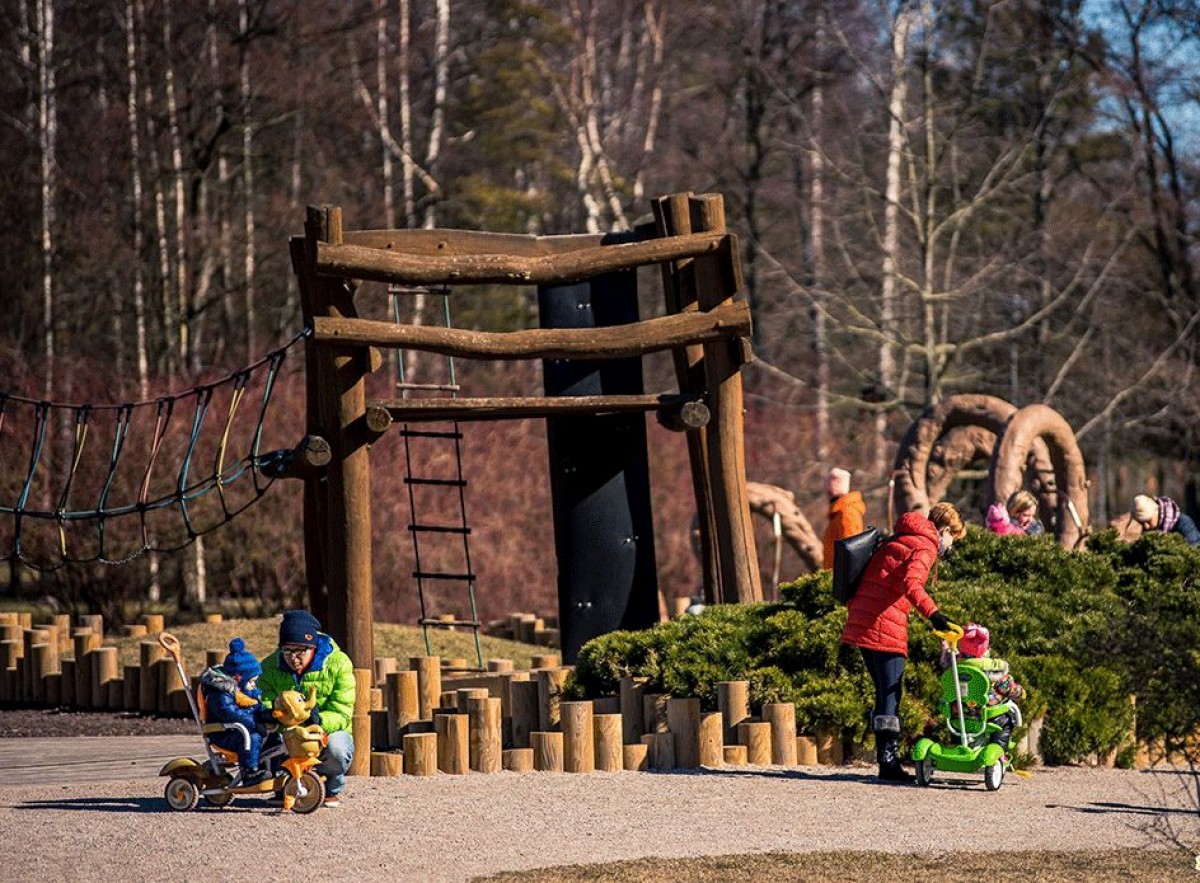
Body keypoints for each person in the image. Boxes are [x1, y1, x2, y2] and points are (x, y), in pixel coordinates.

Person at [841, 501, 965, 782]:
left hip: (862, 618)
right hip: (884, 623)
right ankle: (888, 763)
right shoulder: (925, 545)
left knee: (883, 692)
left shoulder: (903, 536)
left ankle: (886, 759)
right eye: (953, 539)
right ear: (944, 530)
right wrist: (935, 616)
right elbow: (912, 584)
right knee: (890, 693)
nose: (950, 546)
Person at [257, 610, 357, 808]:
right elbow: (262, 699)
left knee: (338, 748)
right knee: (261, 737)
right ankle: (283, 785)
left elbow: (342, 712)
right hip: (286, 732)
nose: (293, 658)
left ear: (313, 646)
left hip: (324, 731)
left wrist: (319, 721)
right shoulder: (268, 666)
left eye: (300, 651)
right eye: (287, 651)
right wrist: (270, 713)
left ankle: (329, 788)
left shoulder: (339, 664)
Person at [199, 637, 272, 787]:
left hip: (237, 729)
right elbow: (229, 712)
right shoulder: (220, 693)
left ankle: (273, 768)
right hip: (222, 732)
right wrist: (254, 722)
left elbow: (254, 706)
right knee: (252, 737)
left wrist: (268, 713)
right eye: (251, 681)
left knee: (273, 736)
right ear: (238, 678)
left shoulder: (245, 691)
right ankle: (248, 773)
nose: (253, 685)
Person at [947, 623, 1026, 753]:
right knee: (1007, 721)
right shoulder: (993, 669)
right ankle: (999, 751)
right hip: (986, 716)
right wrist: (1020, 692)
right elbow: (1007, 688)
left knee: (962, 721)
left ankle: (957, 746)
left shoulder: (954, 667)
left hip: (958, 715)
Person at [822, 467, 866, 570]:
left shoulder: (846, 513)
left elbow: (851, 550)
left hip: (841, 576)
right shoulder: (838, 513)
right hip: (835, 575)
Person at [1130, 494, 1200, 546]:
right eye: (1142, 523)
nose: (1146, 526)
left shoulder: (1183, 523)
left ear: (1157, 512)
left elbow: (1195, 551)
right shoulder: (1148, 530)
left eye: (1148, 521)